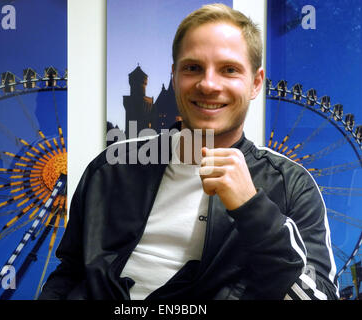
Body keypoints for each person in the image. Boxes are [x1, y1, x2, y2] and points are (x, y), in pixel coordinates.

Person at [39, 3, 339, 300]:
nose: (208, 84)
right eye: (193, 68)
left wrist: (252, 208)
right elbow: (70, 274)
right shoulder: (110, 168)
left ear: (256, 83)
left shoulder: (290, 184)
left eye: (229, 69)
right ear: (174, 76)